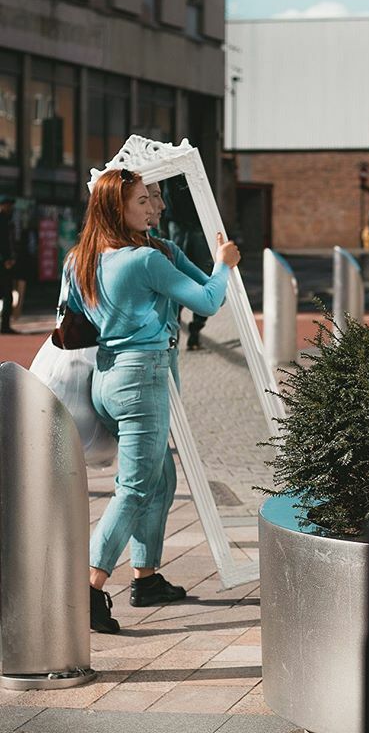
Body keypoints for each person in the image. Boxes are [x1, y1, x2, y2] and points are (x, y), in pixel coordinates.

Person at [64, 168, 240, 633]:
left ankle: (146, 577)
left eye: (153, 198)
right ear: (115, 208)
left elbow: (71, 319)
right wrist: (224, 262)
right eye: (142, 200)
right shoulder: (144, 260)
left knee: (160, 476)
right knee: (137, 486)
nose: (152, 207)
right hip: (142, 378)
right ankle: (90, 585)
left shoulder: (79, 258)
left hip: (105, 377)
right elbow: (207, 301)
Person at [164, 175, 213, 350]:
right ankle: (184, 335)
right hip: (181, 225)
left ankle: (189, 333)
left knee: (193, 281)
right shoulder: (169, 175)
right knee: (181, 283)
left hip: (189, 225)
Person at [0, 196, 17, 335]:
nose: (10, 208)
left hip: (6, 262)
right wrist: (6, 259)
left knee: (7, 294)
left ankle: (5, 325)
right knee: (7, 294)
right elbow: (5, 242)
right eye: (7, 205)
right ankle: (5, 325)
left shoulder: (7, 220)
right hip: (3, 263)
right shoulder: (3, 220)